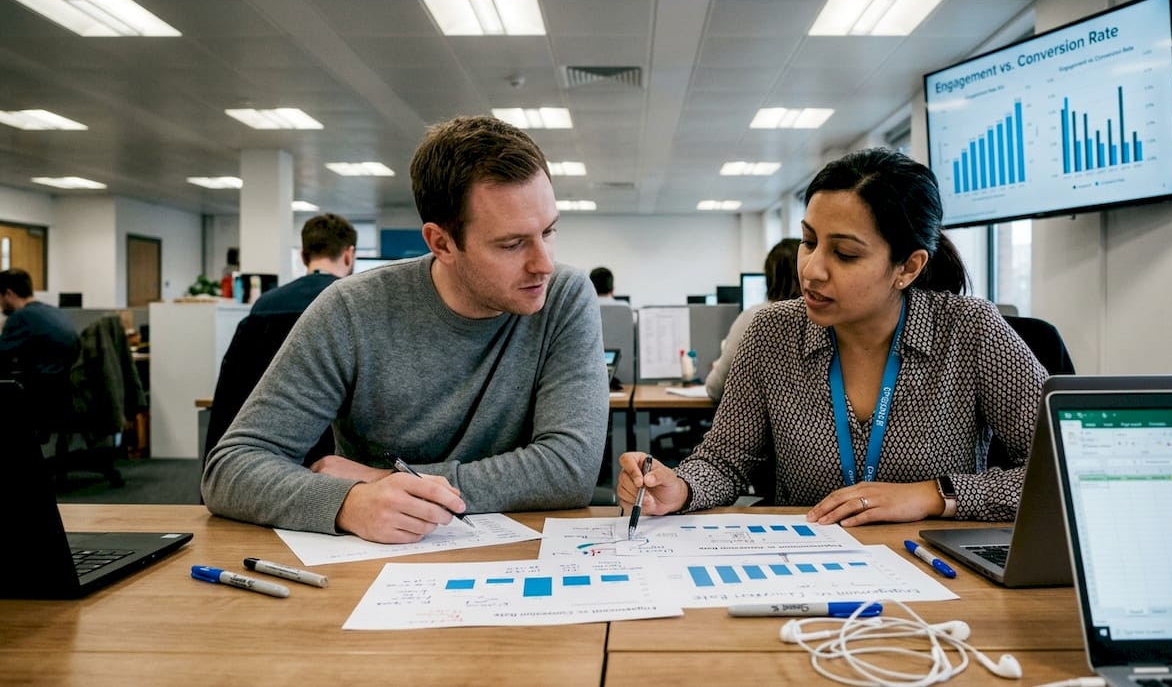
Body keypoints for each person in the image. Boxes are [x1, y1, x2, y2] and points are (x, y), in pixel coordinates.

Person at [203, 115, 608, 543]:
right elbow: (231, 468)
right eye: (512, 244)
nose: (544, 263)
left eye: (549, 231)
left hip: (522, 558)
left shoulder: (564, 296)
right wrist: (347, 503)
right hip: (375, 559)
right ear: (442, 243)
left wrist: (379, 482)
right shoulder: (352, 310)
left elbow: (570, 469)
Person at [618, 148, 1047, 527]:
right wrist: (681, 487)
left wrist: (932, 495)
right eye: (809, 242)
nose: (812, 269)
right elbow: (724, 462)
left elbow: (1062, 470)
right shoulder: (772, 332)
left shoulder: (969, 330)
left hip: (935, 567)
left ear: (908, 267)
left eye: (844, 254)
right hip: (808, 561)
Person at [204, 213, 358, 466]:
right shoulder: (355, 308)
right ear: (349, 255)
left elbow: (232, 395)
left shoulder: (264, 306)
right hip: (337, 455)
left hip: (271, 450)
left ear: (303, 255)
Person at [704, 238, 802, 402]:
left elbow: (715, 388)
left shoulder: (756, 317)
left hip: (757, 418)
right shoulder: (824, 320)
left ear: (770, 277)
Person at [0, 269, 80, 430]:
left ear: (8, 294)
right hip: (66, 395)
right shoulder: (56, 312)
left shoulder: (20, 317)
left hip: (40, 397)